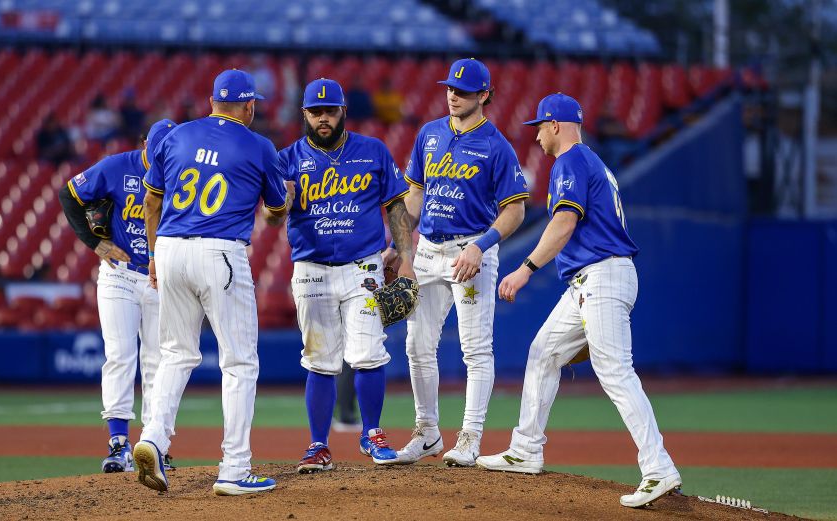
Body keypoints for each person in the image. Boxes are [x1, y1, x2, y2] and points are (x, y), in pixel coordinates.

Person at [475, 93, 681, 509]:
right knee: (543, 353)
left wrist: (525, 268)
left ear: (555, 125)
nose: (535, 136)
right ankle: (526, 448)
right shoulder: (592, 163)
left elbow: (565, 221)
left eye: (539, 127)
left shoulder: (571, 161)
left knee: (615, 372)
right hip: (592, 281)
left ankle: (658, 467)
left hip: (602, 276)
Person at [136, 69, 293, 496]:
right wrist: (285, 200)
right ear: (250, 106)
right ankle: (234, 468)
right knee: (239, 361)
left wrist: (152, 255)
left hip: (169, 247)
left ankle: (153, 437)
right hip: (219, 251)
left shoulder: (177, 135)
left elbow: (151, 200)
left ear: (211, 102)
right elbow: (276, 212)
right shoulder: (259, 145)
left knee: (174, 353)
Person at [390, 59, 529, 467]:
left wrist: (481, 246)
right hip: (429, 250)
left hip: (471, 251)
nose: (453, 95)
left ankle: (469, 437)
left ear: (484, 95)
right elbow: (414, 198)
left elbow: (515, 210)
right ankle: (427, 432)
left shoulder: (496, 146)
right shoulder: (429, 134)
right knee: (417, 345)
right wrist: (399, 247)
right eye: (450, 88)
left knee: (475, 349)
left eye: (464, 91)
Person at [277, 78, 413, 473]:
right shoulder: (287, 160)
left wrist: (405, 258)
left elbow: (396, 207)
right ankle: (318, 445)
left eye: (330, 111)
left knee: (369, 353)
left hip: (363, 269)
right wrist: (278, 204)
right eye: (315, 111)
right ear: (304, 113)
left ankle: (372, 434)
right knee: (319, 359)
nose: (323, 118)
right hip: (312, 269)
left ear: (343, 112)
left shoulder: (372, 151)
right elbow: (270, 218)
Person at [58, 119, 177, 474]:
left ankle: (156, 444)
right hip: (119, 276)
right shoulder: (116, 167)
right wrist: (95, 242)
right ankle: (119, 443)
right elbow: (70, 194)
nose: (160, 159)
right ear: (144, 144)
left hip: (161, 278)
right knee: (120, 355)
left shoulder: (182, 175)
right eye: (155, 152)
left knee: (159, 362)